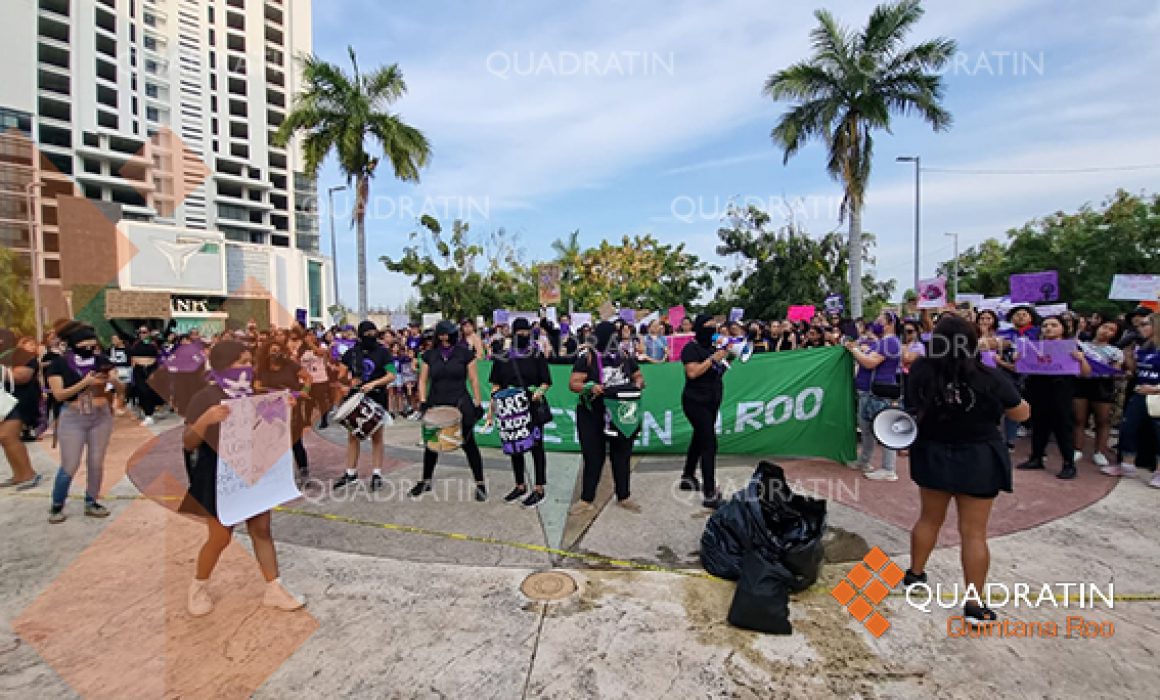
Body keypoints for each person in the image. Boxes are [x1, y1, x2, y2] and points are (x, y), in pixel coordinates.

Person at [904, 315, 1030, 626]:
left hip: (933, 452)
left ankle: (915, 575)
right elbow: (1021, 413)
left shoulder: (920, 370)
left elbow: (909, 406)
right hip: (979, 457)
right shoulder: (988, 375)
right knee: (973, 533)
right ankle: (975, 604)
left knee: (928, 518)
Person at [181, 340, 305, 616]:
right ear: (223, 365)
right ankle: (198, 585)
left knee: (261, 530)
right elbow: (188, 442)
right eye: (240, 362)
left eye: (249, 362)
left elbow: (269, 428)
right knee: (220, 537)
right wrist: (205, 420)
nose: (247, 368)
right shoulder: (205, 397)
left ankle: (274, 587)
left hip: (252, 471)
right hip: (218, 476)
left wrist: (285, 409)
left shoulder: (255, 393)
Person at [45, 324, 120, 523]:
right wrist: (85, 383)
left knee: (96, 462)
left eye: (91, 344)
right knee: (70, 463)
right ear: (73, 344)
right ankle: (57, 503)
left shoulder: (102, 360)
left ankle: (92, 501)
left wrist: (114, 381)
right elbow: (59, 394)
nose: (88, 347)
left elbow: (119, 386)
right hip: (73, 416)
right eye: (83, 343)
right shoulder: (58, 364)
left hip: (100, 415)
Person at [568, 321, 645, 514]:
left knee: (622, 455)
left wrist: (637, 384)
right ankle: (586, 499)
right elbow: (573, 383)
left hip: (620, 414)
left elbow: (638, 376)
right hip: (592, 414)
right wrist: (590, 387)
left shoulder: (624, 356)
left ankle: (624, 496)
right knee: (593, 457)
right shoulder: (588, 357)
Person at [411, 320, 487, 500]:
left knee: (469, 445)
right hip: (436, 403)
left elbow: (474, 380)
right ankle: (426, 480)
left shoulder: (465, 354)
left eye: (450, 334)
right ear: (439, 336)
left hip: (460, 403)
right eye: (444, 334)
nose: (447, 337)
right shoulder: (429, 355)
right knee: (431, 445)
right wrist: (422, 401)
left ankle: (480, 484)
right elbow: (422, 380)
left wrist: (478, 403)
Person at [486, 318, 551, 508]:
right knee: (514, 447)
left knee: (537, 447)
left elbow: (546, 381)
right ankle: (519, 485)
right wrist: (492, 411)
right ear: (512, 333)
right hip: (510, 410)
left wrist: (539, 392)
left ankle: (539, 488)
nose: (523, 335)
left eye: (526, 332)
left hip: (532, 407)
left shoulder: (536, 355)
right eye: (519, 332)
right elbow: (496, 385)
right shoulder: (502, 357)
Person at [1016, 316, 1091, 479]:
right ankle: (1036, 457)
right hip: (1038, 389)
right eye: (1045, 325)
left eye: (1053, 325)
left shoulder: (1072, 347)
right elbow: (1020, 367)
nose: (1048, 328)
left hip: (1061, 391)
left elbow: (1085, 373)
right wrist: (1019, 358)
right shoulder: (1034, 347)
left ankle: (1068, 464)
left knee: (1063, 427)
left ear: (1063, 328)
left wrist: (1081, 359)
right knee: (1039, 425)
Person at [334, 321, 395, 491]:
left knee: (377, 437)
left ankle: (376, 473)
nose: (371, 336)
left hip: (377, 398)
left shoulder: (383, 352)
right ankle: (350, 473)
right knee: (353, 437)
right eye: (367, 334)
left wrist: (374, 384)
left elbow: (391, 375)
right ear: (360, 335)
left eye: (373, 333)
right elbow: (340, 376)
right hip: (356, 398)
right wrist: (348, 382)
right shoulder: (351, 354)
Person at [1104, 312, 1160, 486]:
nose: (1140, 328)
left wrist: (1156, 388)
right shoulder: (1143, 347)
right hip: (1139, 394)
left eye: (1145, 324)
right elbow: (1138, 370)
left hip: (1156, 396)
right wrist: (1128, 358)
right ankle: (1127, 465)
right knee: (1129, 428)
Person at [679, 315, 729, 508]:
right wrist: (712, 359)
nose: (712, 330)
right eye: (708, 327)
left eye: (714, 327)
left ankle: (688, 476)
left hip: (712, 399)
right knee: (709, 443)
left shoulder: (713, 347)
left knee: (699, 438)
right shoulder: (690, 349)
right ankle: (709, 493)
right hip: (695, 402)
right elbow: (692, 373)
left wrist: (725, 357)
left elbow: (716, 371)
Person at [846, 311, 903, 481]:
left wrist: (854, 350)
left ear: (890, 323)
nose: (876, 322)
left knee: (883, 429)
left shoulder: (891, 342)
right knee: (866, 429)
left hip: (878, 392)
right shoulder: (882, 342)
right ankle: (864, 461)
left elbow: (870, 363)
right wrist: (862, 349)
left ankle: (888, 469)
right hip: (869, 391)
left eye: (880, 320)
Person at [254, 338, 312, 478]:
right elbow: (257, 387)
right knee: (274, 442)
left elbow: (307, 378)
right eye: (273, 350)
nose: (276, 353)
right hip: (271, 411)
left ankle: (303, 470)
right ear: (266, 353)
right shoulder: (262, 369)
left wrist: (305, 390)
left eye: (278, 350)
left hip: (292, 409)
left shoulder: (290, 365)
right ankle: (278, 474)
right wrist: (271, 393)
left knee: (295, 441)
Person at [1074, 319, 1123, 467]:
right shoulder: (1082, 345)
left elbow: (1115, 370)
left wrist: (1112, 371)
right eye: (1105, 327)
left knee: (1102, 420)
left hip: (1102, 386)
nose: (1106, 331)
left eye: (1111, 329)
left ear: (1115, 335)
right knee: (1078, 418)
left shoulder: (1115, 351)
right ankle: (1077, 448)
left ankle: (1099, 452)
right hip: (1081, 384)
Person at [0, 329, 40, 488]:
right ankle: (19, 474)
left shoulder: (23, 354)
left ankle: (28, 474)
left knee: (8, 436)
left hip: (20, 401)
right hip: (4, 403)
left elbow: (23, 376)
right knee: (4, 438)